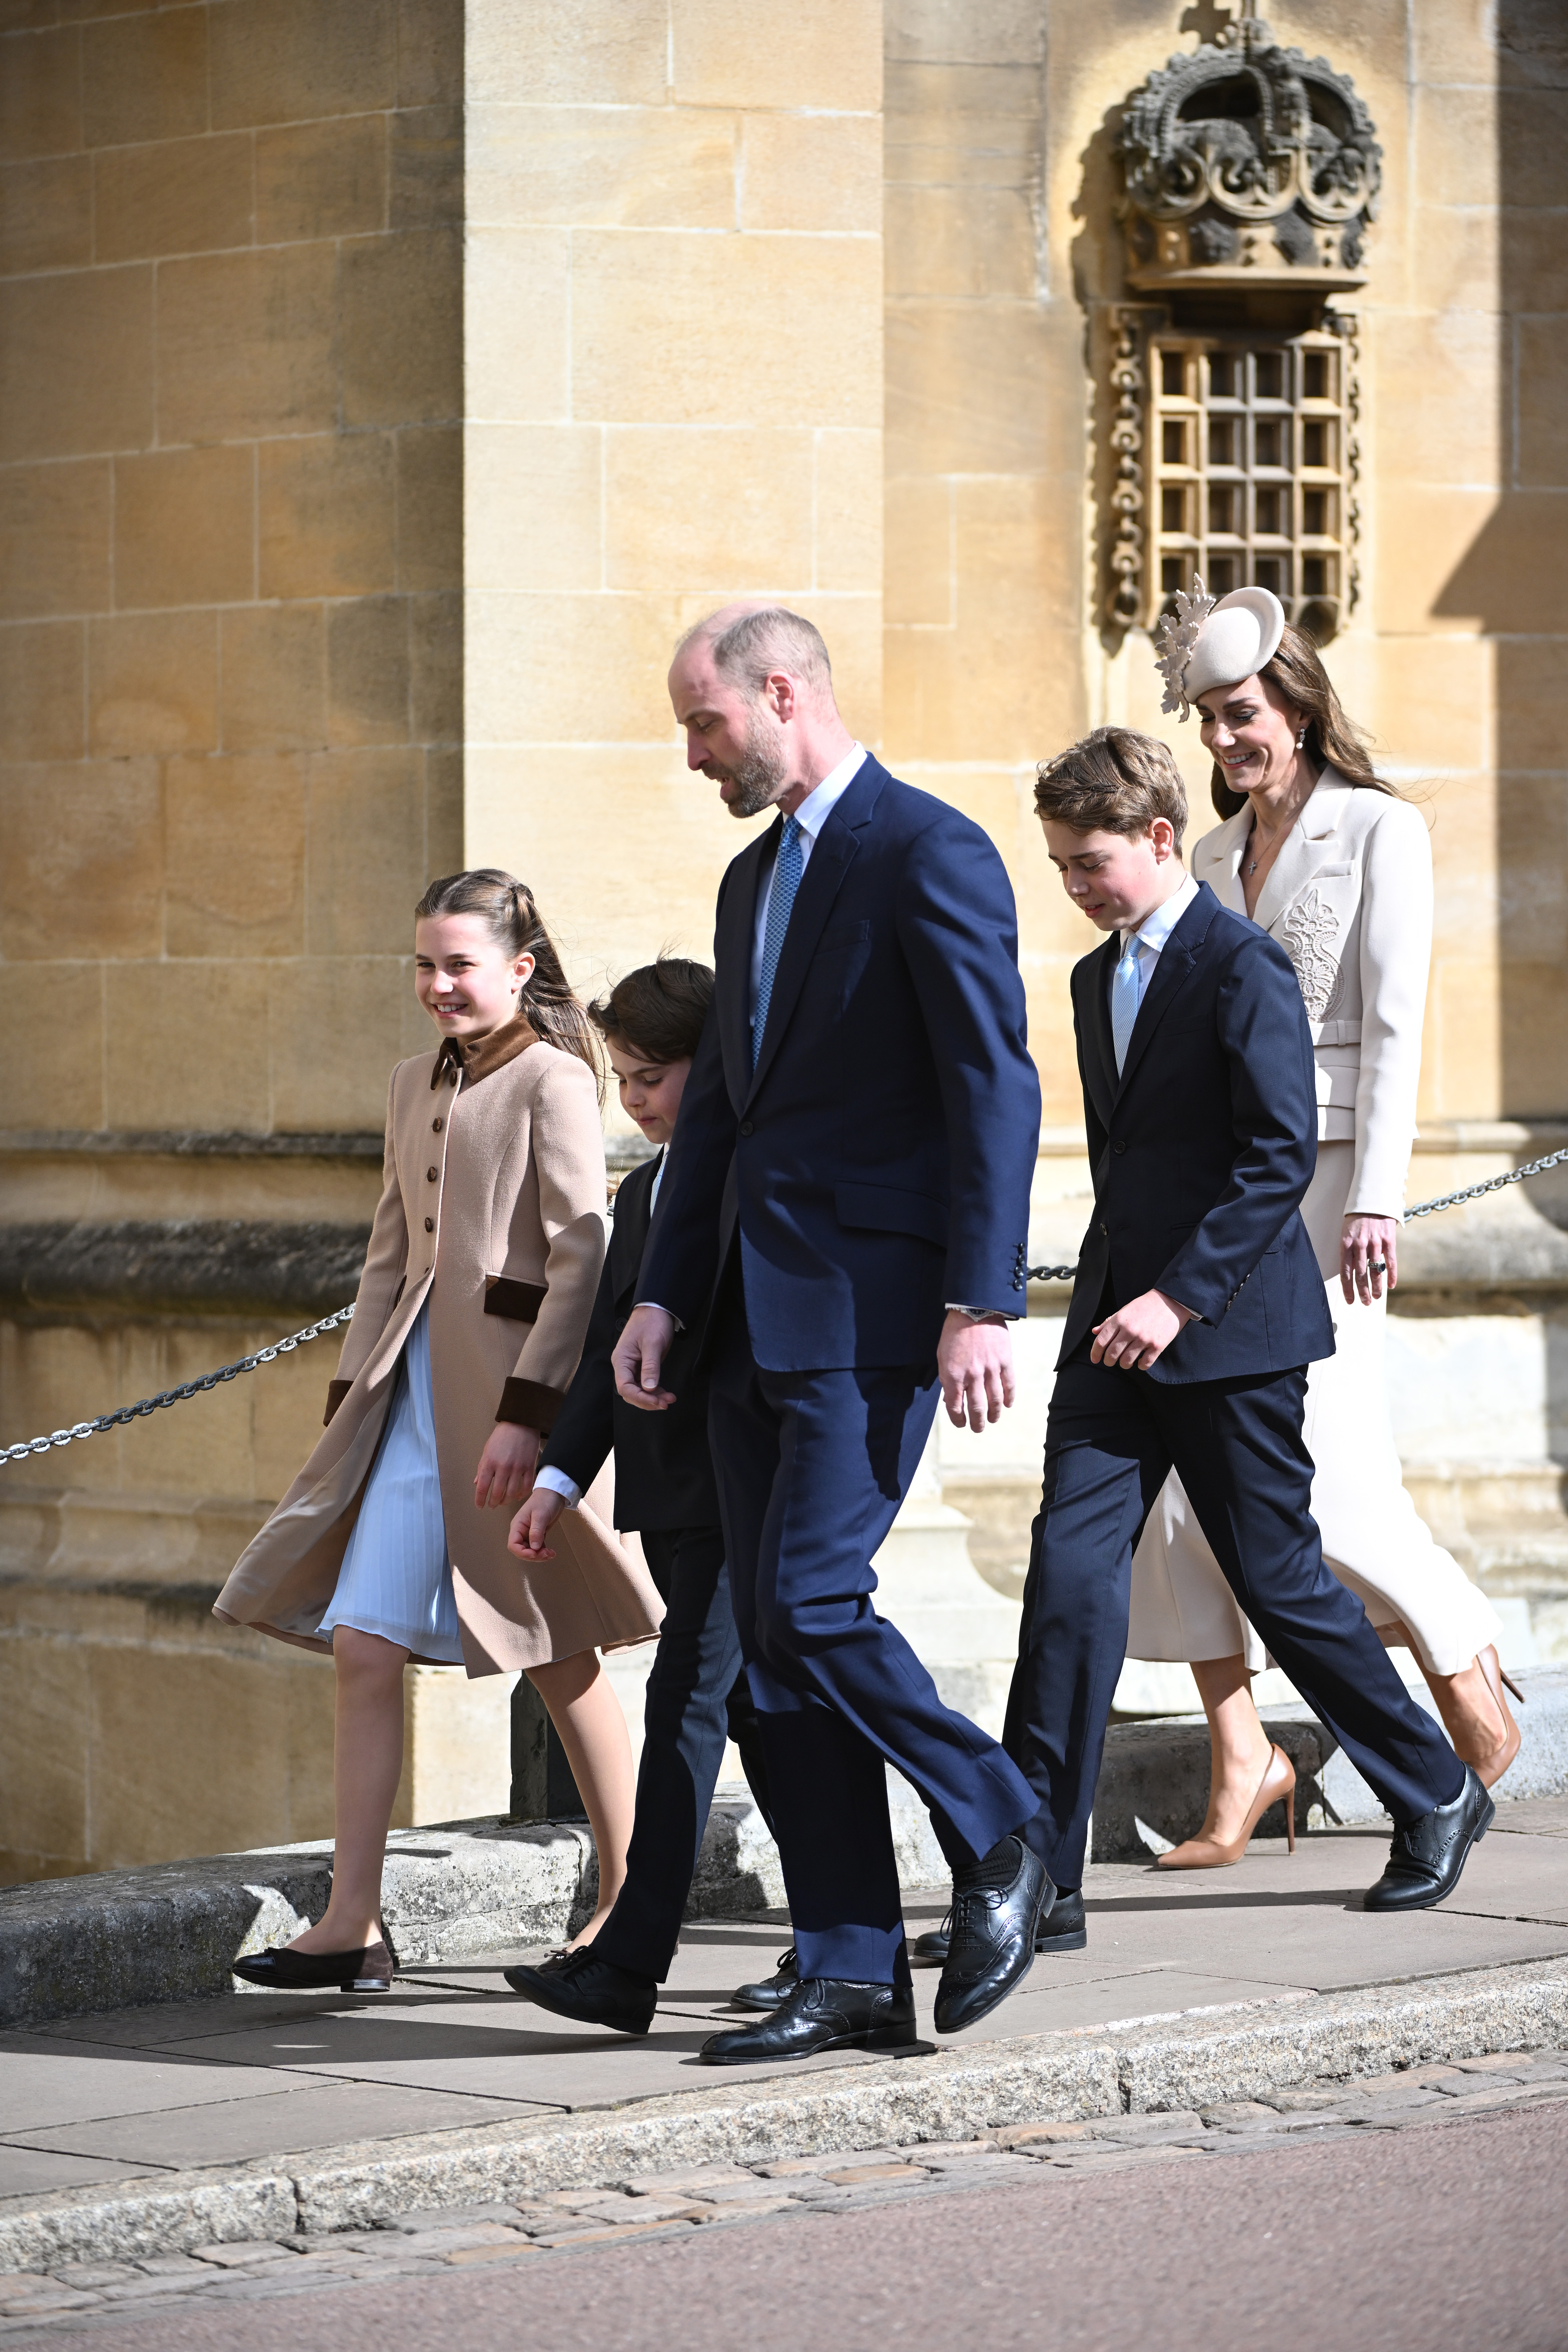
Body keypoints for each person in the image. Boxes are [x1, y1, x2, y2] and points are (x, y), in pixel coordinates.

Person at [605, 603, 1051, 2066]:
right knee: (774, 1668)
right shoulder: (751, 884)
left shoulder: (929, 850)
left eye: (702, 723)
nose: (691, 754)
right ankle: (851, 1961)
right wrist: (666, 1290)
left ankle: (1004, 1824)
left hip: (871, 1313)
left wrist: (980, 1299)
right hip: (739, 1317)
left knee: (806, 1605)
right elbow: (722, 1113)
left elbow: (993, 1083)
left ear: (779, 692)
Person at [1010, 708, 1493, 1928]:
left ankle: (1433, 1791)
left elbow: (1276, 1157)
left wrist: (1177, 1300)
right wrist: (1115, 1300)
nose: (1071, 885)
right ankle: (1031, 1875)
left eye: (1089, 861)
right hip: (1113, 1338)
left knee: (1277, 1578)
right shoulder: (1089, 978)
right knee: (1068, 1585)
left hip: (1229, 1330)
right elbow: (1129, 1163)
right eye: (1059, 863)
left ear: (1159, 836)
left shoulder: (1240, 966)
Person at [1126, 581, 1520, 1869]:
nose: (1227, 735)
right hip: (1227, 1195)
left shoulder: (1376, 829)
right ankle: (1245, 1759)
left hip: (1335, 1179)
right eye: (1209, 718)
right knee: (1183, 1490)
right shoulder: (1200, 859)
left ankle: (1459, 1654)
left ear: (1292, 700)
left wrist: (1375, 1197)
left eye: (1242, 710)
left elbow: (1399, 1019)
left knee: (1326, 1468)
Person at [214, 870, 664, 1992]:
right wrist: (351, 1389)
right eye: (423, 963)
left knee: (555, 1655)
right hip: (405, 1405)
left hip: (506, 1408)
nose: (437, 985)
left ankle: (626, 1902)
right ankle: (351, 1927)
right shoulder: (411, 1080)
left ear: (518, 968)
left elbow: (582, 1258)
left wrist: (532, 1420)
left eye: (459, 964)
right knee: (364, 1648)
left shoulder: (556, 1081)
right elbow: (388, 1253)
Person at [500, 958, 776, 2035]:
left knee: (688, 1706)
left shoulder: (758, 1178)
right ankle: (870, 1922)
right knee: (761, 1713)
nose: (636, 1101)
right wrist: (559, 1479)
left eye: (654, 1077)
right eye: (622, 1078)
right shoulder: (640, 1192)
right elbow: (610, 1356)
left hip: (743, 1496)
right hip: (666, 1501)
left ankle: (629, 1959)